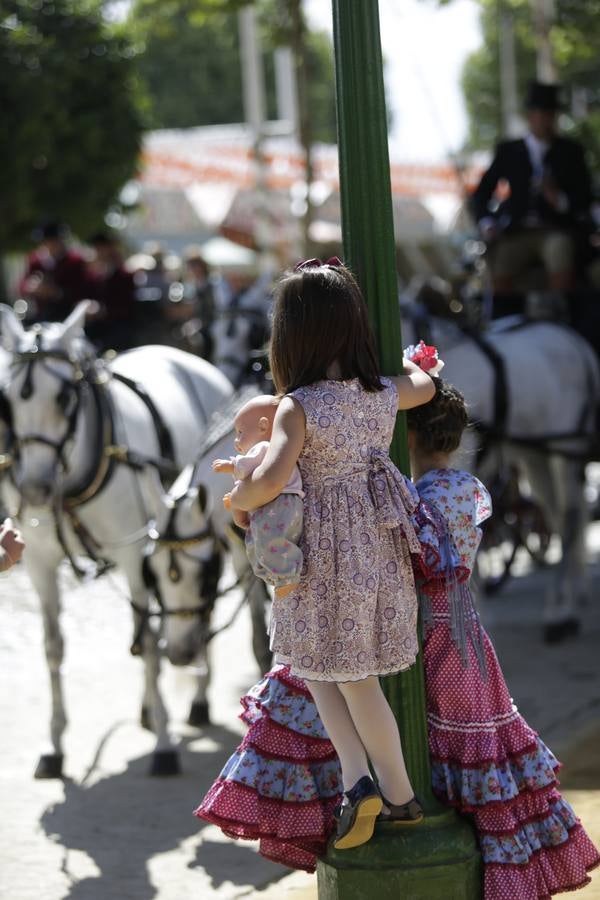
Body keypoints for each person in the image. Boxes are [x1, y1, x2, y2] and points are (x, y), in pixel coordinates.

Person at [195, 377, 600, 899]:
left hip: (421, 627)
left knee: (331, 685)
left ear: (403, 436)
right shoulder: (468, 489)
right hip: (462, 630)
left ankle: (373, 791)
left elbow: (417, 554)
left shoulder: (412, 495)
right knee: (467, 752)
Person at [212, 259, 435, 851]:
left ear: (291, 336)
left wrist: (238, 496)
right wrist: (409, 355)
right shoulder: (382, 392)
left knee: (326, 675)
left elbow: (272, 477)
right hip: (378, 549)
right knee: (350, 677)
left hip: (320, 555)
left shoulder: (299, 405)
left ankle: (372, 785)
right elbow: (426, 384)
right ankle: (382, 789)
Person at [471, 80, 593, 317]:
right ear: (530, 115)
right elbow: (482, 193)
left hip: (555, 230)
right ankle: (505, 319)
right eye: (539, 113)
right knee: (502, 261)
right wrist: (487, 223)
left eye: (549, 114)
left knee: (560, 251)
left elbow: (585, 198)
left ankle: (561, 317)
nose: (544, 119)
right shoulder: (509, 150)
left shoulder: (571, 152)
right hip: (516, 231)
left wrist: (558, 198)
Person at [212, 394, 304, 599]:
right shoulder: (271, 451)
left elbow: (246, 468)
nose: (236, 442)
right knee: (258, 542)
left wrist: (231, 465)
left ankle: (287, 576)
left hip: (280, 502)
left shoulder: (264, 447)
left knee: (270, 541)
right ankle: (273, 575)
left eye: (240, 432)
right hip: (278, 504)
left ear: (263, 426)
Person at [18, 222, 89, 323]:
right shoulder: (35, 261)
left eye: (54, 241)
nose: (51, 245)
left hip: (69, 315)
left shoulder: (75, 261)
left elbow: (84, 290)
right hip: (41, 315)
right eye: (47, 241)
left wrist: (57, 293)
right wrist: (31, 287)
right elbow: (21, 285)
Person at [85, 232, 137, 352]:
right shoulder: (93, 275)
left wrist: (105, 311)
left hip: (118, 328)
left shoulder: (124, 275)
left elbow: (127, 306)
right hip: (96, 328)